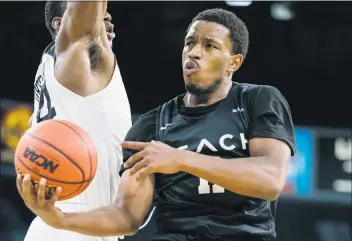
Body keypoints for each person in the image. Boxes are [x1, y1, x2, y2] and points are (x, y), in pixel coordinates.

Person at [17, 8, 296, 241]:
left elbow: (270, 179)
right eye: (189, 43)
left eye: (209, 46)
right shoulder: (151, 126)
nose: (194, 53)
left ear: (233, 61)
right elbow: (126, 216)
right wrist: (60, 218)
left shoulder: (258, 99)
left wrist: (181, 159)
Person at [22, 1, 132, 241]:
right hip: (72, 223)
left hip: (75, 224)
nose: (109, 21)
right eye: (100, 16)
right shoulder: (75, 52)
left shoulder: (56, 74)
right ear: (61, 24)